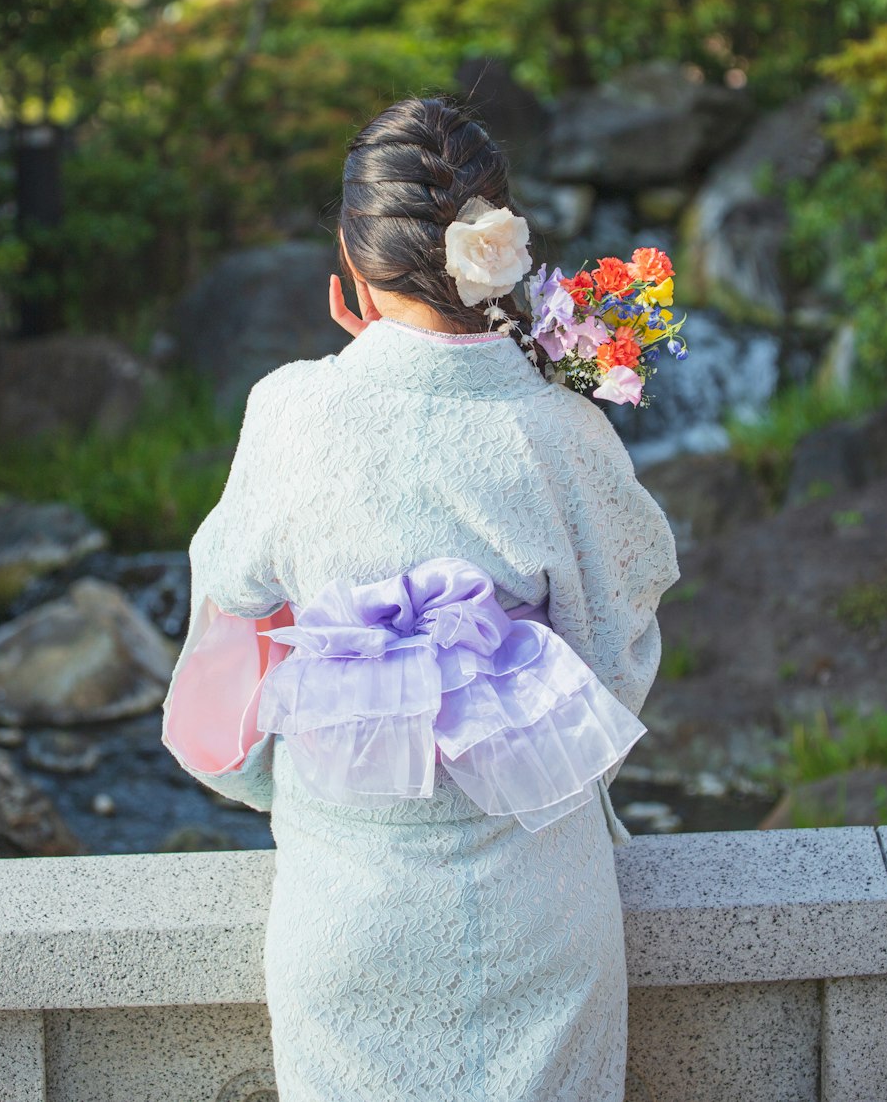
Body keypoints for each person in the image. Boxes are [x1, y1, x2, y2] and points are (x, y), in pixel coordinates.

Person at [161, 94, 680, 1102]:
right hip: (540, 903)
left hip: (346, 902)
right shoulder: (558, 426)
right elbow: (616, 662)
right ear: (494, 250)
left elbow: (227, 619)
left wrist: (287, 776)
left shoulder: (292, 413)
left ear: (350, 268)